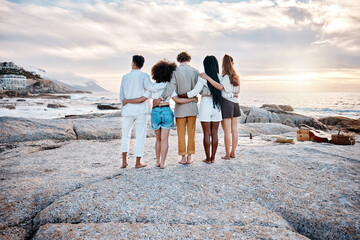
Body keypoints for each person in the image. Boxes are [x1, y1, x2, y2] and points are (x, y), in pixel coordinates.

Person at [123, 60, 198, 169]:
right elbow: (177, 100)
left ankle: (157, 161)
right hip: (166, 110)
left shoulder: (152, 87)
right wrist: (191, 99)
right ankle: (163, 162)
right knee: (165, 140)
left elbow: (142, 99)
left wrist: (127, 100)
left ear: (156, 73)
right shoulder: (169, 87)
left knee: (158, 139)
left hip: (155, 113)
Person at [178, 55, 233, 164]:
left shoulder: (203, 77)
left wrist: (180, 95)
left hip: (205, 104)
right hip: (217, 106)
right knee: (215, 133)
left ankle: (207, 158)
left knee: (207, 133)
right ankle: (213, 158)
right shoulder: (220, 77)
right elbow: (225, 92)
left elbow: (193, 92)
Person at [119, 55, 166, 169]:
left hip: (128, 110)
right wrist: (166, 83)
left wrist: (124, 106)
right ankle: (137, 162)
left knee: (125, 135)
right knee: (140, 136)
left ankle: (124, 162)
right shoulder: (144, 76)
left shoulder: (125, 77)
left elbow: (121, 96)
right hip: (141, 110)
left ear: (133, 63)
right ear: (142, 65)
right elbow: (152, 88)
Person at [153, 52, 199, 165]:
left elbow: (170, 87)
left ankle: (183, 157)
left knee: (181, 134)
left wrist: (161, 98)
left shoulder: (175, 72)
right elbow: (199, 89)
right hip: (192, 107)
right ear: (189, 59)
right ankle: (189, 157)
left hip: (180, 108)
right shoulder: (195, 72)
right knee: (191, 133)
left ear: (178, 60)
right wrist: (193, 96)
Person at [200, 54, 240, 159]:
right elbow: (238, 92)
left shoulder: (226, 77)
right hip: (236, 104)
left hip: (227, 104)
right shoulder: (236, 77)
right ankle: (233, 152)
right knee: (235, 130)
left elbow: (219, 87)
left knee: (227, 131)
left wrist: (207, 77)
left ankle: (227, 155)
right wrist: (233, 94)